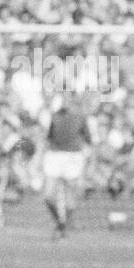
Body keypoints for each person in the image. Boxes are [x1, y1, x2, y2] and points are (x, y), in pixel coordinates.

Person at [42, 94, 91, 238]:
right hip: (55, 156)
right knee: (48, 196)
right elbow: (49, 138)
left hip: (73, 157)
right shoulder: (55, 116)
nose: (65, 102)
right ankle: (60, 223)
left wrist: (88, 162)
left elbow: (89, 140)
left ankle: (63, 226)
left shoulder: (81, 117)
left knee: (71, 197)